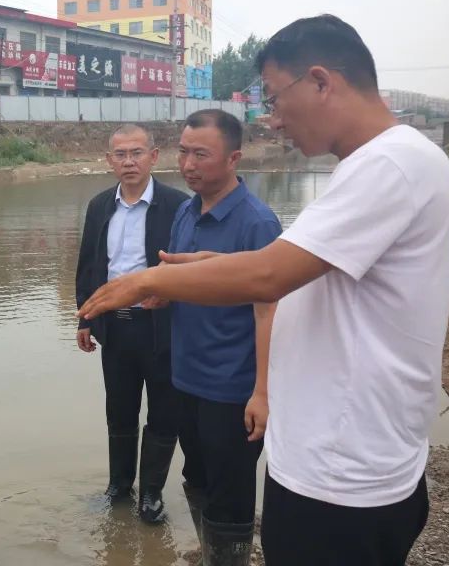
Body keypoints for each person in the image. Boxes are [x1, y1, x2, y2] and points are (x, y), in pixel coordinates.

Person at [78, 15, 449, 565]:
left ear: (321, 82)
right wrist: (212, 266)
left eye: (276, 99)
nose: (273, 120)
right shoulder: (379, 164)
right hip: (333, 456)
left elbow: (270, 277)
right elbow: (294, 273)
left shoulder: (390, 165)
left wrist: (147, 278)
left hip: (343, 473)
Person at [165, 109, 281, 564]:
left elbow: (269, 311)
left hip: (232, 387)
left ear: (234, 158)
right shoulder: (185, 211)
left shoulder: (257, 223)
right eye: (183, 152)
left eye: (201, 155)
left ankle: (230, 556)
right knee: (197, 478)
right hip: (186, 378)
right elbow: (183, 281)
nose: (187, 164)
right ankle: (211, 554)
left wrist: (263, 392)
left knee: (230, 494)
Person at [75, 124, 188, 524]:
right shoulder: (99, 206)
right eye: (120, 154)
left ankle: (152, 494)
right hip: (116, 327)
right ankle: (119, 487)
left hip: (161, 327)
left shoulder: (178, 205)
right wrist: (85, 317)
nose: (129, 162)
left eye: (137, 153)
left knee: (164, 412)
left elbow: (189, 269)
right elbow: (89, 265)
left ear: (153, 157)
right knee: (119, 409)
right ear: (109, 160)